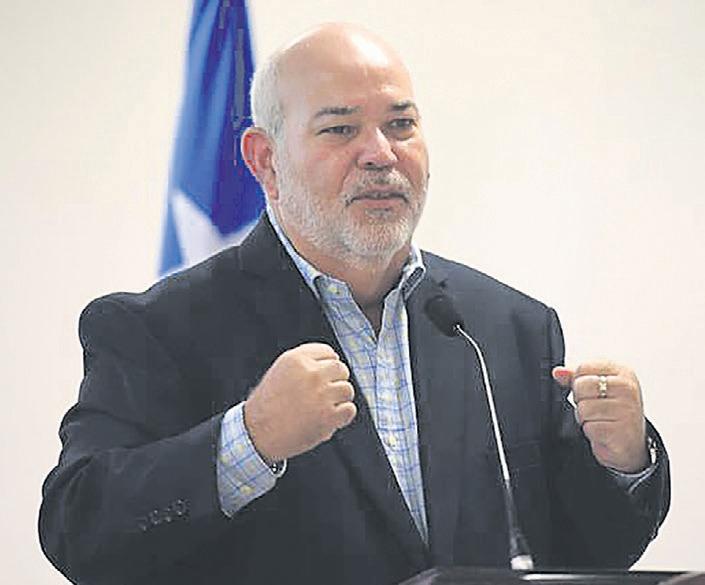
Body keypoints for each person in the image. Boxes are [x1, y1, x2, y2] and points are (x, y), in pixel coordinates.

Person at [39, 23, 670, 585]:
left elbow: (586, 550)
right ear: (266, 161)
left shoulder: (507, 328)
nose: (380, 153)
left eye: (401, 125)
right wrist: (249, 441)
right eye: (340, 129)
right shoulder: (158, 328)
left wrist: (623, 461)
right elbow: (78, 532)